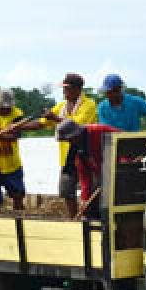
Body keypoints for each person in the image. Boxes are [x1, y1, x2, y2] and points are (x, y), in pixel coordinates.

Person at [40, 73, 98, 218]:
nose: (64, 92)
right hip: (67, 154)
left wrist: (54, 118)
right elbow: (42, 122)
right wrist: (18, 127)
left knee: (90, 188)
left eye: (67, 88)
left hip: (86, 151)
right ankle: (73, 217)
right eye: (64, 89)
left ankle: (89, 216)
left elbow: (75, 125)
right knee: (66, 189)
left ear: (77, 89)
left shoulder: (89, 105)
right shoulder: (61, 106)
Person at [55, 119, 120, 218]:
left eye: (70, 139)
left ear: (77, 134)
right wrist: (84, 200)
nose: (70, 142)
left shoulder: (99, 130)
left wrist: (121, 163)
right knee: (89, 208)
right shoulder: (79, 152)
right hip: (101, 173)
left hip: (120, 169)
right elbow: (85, 179)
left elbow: (124, 141)